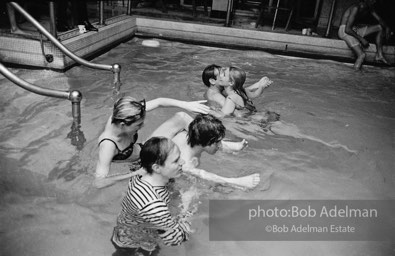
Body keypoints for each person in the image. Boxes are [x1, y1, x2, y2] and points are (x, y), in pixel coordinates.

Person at [94, 96, 210, 189]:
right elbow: (99, 182)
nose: (142, 126)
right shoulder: (108, 146)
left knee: (182, 117)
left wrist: (186, 104)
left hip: (144, 148)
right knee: (177, 174)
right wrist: (137, 173)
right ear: (123, 125)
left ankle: (216, 142)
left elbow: (159, 101)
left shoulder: (123, 114)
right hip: (140, 166)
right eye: (138, 125)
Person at [111, 137, 192, 255]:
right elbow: (175, 240)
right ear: (156, 167)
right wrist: (187, 208)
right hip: (133, 244)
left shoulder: (141, 173)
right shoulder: (153, 205)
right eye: (176, 161)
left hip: (129, 228)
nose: (183, 162)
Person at [149, 112, 260, 189]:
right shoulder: (185, 161)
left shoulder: (188, 134)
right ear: (207, 143)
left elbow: (184, 117)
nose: (219, 145)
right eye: (217, 142)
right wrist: (236, 182)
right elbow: (204, 174)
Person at [338, 0, 392, 70]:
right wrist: (361, 39)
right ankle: (354, 75)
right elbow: (347, 29)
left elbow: (380, 20)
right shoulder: (356, 8)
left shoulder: (369, 7)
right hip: (344, 31)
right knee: (362, 55)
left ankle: (379, 55)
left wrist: (387, 27)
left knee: (380, 27)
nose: (375, 1)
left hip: (355, 30)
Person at [202, 64, 273, 112]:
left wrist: (258, 85)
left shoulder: (214, 90)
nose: (222, 75)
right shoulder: (217, 97)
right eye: (221, 73)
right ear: (212, 81)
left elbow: (239, 91)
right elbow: (229, 112)